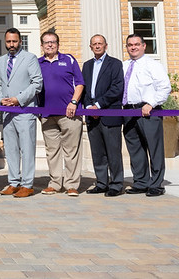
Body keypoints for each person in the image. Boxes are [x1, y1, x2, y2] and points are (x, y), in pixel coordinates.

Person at [0, 27, 43, 198]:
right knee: (11, 148)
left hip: (24, 110)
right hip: (7, 112)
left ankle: (27, 184)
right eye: (8, 41)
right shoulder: (1, 60)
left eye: (14, 41)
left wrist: (18, 99)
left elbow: (37, 83)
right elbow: (0, 84)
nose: (11, 45)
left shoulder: (29, 58)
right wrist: (1, 98)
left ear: (20, 41)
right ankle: (14, 182)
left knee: (27, 148)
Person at [122, 33, 171, 197]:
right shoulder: (124, 65)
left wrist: (151, 103)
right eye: (130, 45)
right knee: (135, 148)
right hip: (128, 111)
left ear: (144, 46)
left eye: (136, 44)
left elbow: (164, 87)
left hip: (149, 111)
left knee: (154, 148)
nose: (133, 47)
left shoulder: (153, 65)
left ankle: (157, 184)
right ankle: (141, 182)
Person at [38, 30, 85, 197]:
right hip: (46, 115)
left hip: (69, 114)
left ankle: (72, 185)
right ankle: (55, 184)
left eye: (53, 42)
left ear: (58, 44)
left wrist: (74, 102)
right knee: (52, 151)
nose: (50, 44)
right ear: (42, 45)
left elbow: (80, 84)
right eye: (46, 42)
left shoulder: (69, 59)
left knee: (71, 150)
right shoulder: (37, 63)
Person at [82, 34, 125, 197]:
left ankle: (116, 184)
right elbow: (84, 88)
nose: (97, 46)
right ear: (90, 47)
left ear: (106, 46)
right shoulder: (86, 66)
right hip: (91, 116)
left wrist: (98, 106)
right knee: (97, 151)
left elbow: (116, 88)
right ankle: (101, 182)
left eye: (100, 43)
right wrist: (88, 107)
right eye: (94, 44)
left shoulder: (115, 64)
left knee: (113, 151)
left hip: (109, 113)